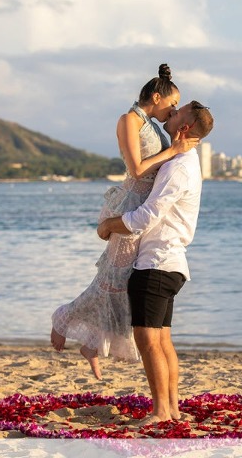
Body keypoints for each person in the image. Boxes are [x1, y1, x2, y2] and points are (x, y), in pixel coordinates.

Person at [50, 64, 199, 380]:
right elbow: (137, 169)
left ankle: (93, 344)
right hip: (131, 203)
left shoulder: (154, 126)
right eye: (170, 105)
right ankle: (64, 318)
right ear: (155, 97)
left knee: (121, 282)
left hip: (142, 207)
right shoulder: (128, 120)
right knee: (115, 278)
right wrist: (173, 150)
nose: (172, 111)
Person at [97, 101, 214, 425]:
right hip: (169, 263)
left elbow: (147, 216)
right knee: (161, 340)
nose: (171, 114)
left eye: (177, 113)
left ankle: (162, 410)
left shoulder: (179, 167)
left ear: (184, 128)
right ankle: (172, 409)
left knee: (149, 341)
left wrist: (109, 224)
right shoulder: (183, 161)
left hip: (157, 264)